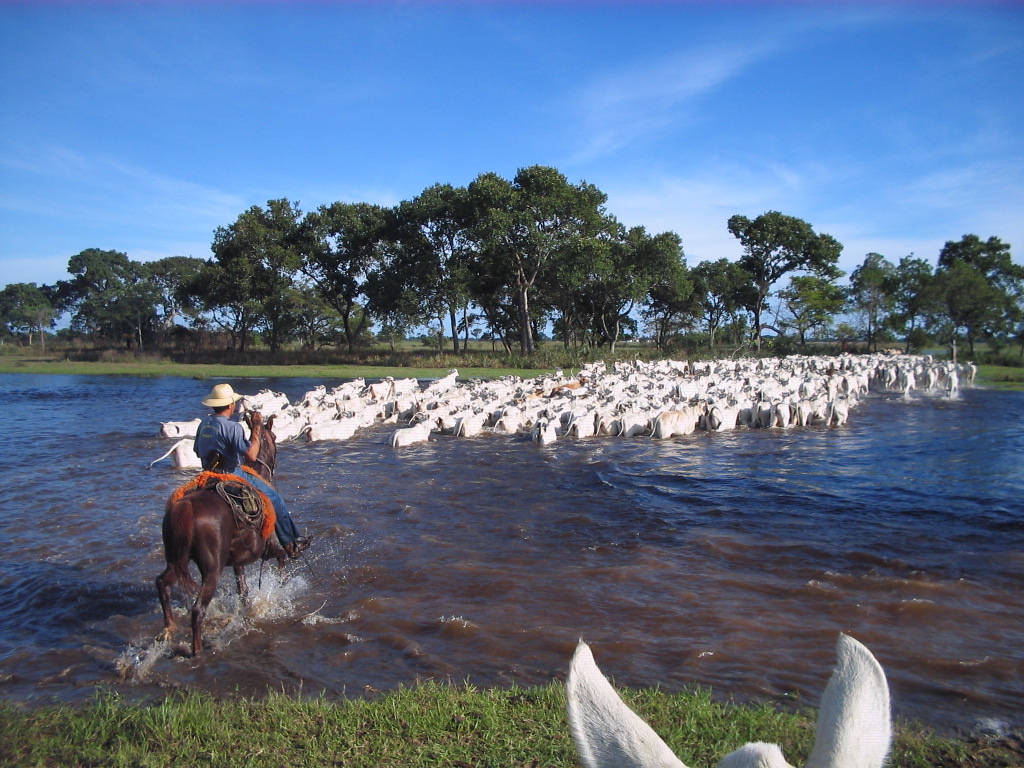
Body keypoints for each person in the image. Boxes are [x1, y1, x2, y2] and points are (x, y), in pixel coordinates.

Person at [193, 383, 310, 559]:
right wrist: (256, 426)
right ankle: (291, 542)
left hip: (207, 474)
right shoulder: (233, 427)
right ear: (231, 405)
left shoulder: (203, 424)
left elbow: (196, 451)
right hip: (230, 474)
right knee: (274, 498)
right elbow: (252, 455)